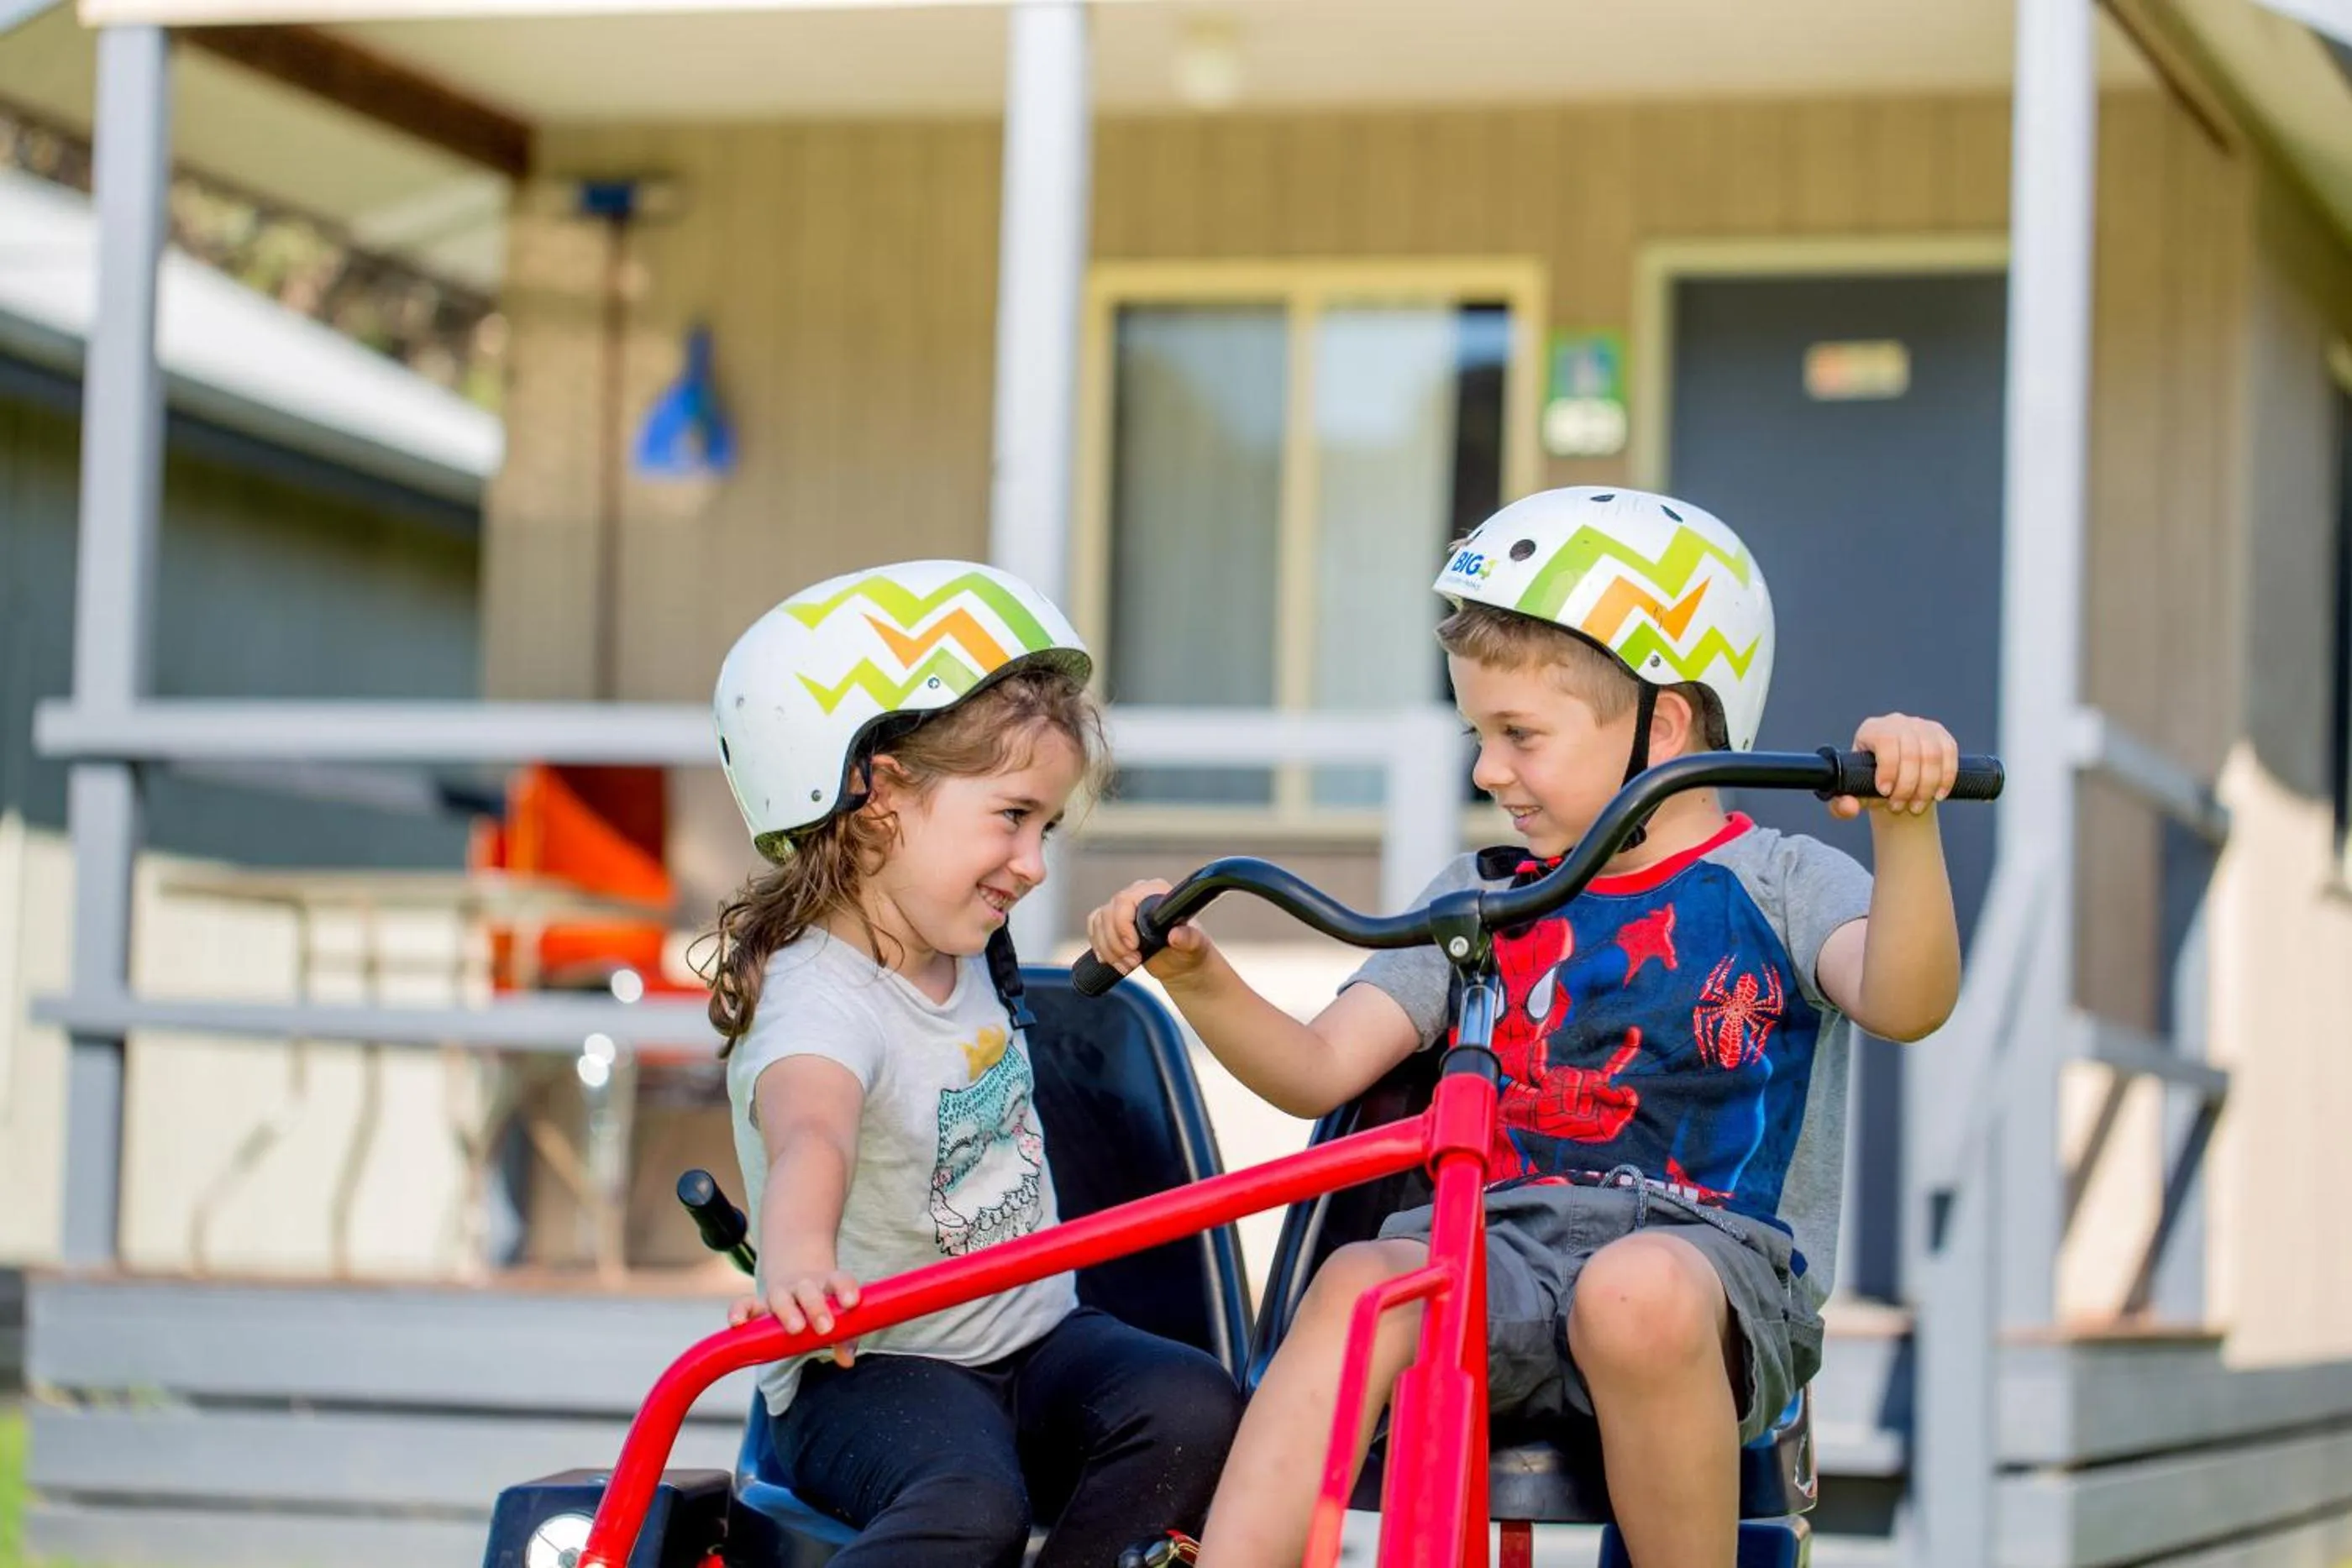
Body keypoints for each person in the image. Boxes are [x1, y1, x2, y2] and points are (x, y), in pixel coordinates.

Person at [1087, 489, 1964, 1568]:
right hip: (1496, 1250)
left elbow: (1908, 998)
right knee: (1359, 1283)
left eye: (1519, 735)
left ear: (1666, 724)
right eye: (1477, 733)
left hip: (1709, 1272)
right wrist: (1200, 976)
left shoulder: (1780, 884)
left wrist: (1905, 828)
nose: (1485, 770)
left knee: (1633, 1293)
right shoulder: (1485, 895)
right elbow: (1318, 1071)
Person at [706, 559, 1240, 1567]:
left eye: (1046, 825)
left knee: (1193, 1406)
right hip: (874, 1366)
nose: (1034, 863)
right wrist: (800, 1255)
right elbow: (809, 1124)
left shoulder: (960, 946)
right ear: (878, 795)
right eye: (1010, 817)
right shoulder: (819, 995)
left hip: (1030, 1334)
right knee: (968, 1507)